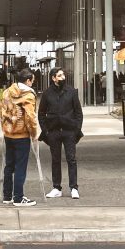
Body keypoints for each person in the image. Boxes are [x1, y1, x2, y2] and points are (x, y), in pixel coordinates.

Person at [39, 67, 84, 197]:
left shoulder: (72, 92)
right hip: (53, 132)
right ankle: (56, 188)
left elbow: (78, 112)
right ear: (53, 78)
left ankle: (74, 188)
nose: (63, 77)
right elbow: (41, 113)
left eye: (63, 75)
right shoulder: (47, 93)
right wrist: (45, 131)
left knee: (71, 159)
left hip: (69, 131)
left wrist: (77, 129)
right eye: (59, 75)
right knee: (55, 160)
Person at [0, 67, 39, 207]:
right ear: (28, 80)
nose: (33, 83)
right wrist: (34, 133)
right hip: (22, 135)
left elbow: (2, 111)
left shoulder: (7, 92)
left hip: (8, 133)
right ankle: (18, 197)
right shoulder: (29, 95)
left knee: (9, 165)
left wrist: (5, 129)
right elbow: (30, 117)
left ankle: (7, 195)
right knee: (20, 166)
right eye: (32, 81)